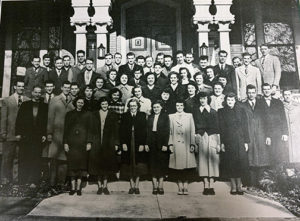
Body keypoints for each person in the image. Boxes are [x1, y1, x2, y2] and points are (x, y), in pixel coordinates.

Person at [15, 85, 48, 187]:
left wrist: (44, 134)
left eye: (39, 93)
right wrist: (18, 133)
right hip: (25, 136)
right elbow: (19, 120)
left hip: (37, 137)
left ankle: (34, 181)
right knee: (24, 158)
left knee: (36, 159)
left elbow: (46, 122)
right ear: (32, 93)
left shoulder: (44, 106)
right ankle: (22, 181)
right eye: (36, 92)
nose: (37, 94)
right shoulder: (25, 105)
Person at [218, 93, 250, 195]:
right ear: (226, 101)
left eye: (232, 100)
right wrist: (222, 142)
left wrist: (246, 141)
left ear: (235, 100)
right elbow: (221, 128)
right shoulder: (222, 111)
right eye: (228, 100)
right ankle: (233, 186)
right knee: (230, 162)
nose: (230, 102)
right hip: (228, 140)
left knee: (240, 162)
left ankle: (239, 186)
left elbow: (245, 126)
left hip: (240, 140)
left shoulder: (241, 110)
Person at [47, 81, 74, 193]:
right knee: (54, 159)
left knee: (65, 160)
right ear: (62, 87)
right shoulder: (55, 100)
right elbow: (50, 117)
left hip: (68, 135)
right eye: (65, 87)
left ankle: (61, 184)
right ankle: (52, 184)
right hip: (56, 134)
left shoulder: (72, 100)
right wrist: (49, 133)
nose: (67, 89)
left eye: (69, 88)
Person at [241, 85, 271, 187]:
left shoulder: (262, 104)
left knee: (261, 158)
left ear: (256, 93)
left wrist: (268, 136)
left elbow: (267, 120)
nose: (251, 94)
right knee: (250, 158)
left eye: (253, 92)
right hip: (249, 134)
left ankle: (261, 184)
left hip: (261, 134)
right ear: (246, 93)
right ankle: (251, 184)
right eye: (249, 92)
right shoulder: (242, 105)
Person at [1, 80, 30, 185]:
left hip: (22, 136)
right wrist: (3, 133)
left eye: (23, 86)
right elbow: (3, 118)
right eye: (19, 86)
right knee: (7, 158)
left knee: (18, 158)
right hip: (9, 134)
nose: (21, 88)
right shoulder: (7, 101)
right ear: (14, 87)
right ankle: (5, 179)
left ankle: (15, 180)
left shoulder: (27, 100)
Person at [90, 97, 120, 195]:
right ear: (100, 105)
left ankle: (105, 185)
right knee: (98, 165)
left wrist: (116, 143)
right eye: (103, 104)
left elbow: (116, 130)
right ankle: (99, 186)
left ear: (108, 104)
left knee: (106, 164)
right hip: (97, 142)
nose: (104, 106)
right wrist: (90, 142)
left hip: (108, 142)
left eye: (106, 104)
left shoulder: (113, 114)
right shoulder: (94, 114)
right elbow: (91, 129)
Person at [63, 97, 93, 196]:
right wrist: (65, 143)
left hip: (82, 144)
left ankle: (79, 188)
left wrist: (89, 142)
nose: (80, 104)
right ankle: (72, 188)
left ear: (84, 104)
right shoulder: (69, 114)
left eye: (82, 102)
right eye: (78, 102)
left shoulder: (87, 114)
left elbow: (90, 129)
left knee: (81, 166)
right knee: (72, 166)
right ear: (75, 103)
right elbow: (66, 130)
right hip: (72, 144)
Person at [193, 92, 220, 195]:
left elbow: (218, 128)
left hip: (212, 137)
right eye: (200, 98)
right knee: (202, 160)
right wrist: (196, 137)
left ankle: (211, 185)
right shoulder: (196, 112)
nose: (202, 100)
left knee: (213, 160)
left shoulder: (213, 112)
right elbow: (194, 126)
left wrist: (218, 143)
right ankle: (205, 185)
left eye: (204, 98)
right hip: (201, 136)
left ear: (207, 99)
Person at [120, 98, 148, 194]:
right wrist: (123, 143)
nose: (133, 108)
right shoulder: (124, 116)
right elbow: (122, 130)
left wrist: (142, 144)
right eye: (131, 106)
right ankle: (131, 186)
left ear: (138, 107)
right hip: (128, 143)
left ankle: (137, 186)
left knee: (138, 164)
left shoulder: (142, 115)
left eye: (134, 106)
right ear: (128, 107)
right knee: (129, 164)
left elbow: (144, 131)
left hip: (138, 142)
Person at [168, 100, 197, 195]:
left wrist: (192, 144)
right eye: (177, 105)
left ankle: (186, 185)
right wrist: (171, 144)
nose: (179, 107)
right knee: (178, 165)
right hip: (176, 143)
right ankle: (180, 184)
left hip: (187, 143)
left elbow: (192, 130)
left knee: (186, 166)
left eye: (181, 105)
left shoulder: (189, 116)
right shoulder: (171, 116)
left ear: (184, 106)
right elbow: (170, 132)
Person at [261, 83, 288, 165]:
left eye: (268, 89)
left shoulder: (278, 102)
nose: (266, 91)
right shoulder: (259, 103)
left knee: (279, 154)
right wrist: (267, 135)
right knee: (268, 155)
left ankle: (279, 174)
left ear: (271, 90)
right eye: (264, 89)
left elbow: (283, 118)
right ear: (262, 91)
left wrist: (285, 133)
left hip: (278, 133)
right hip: (265, 134)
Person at [146, 101, 170, 195]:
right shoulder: (150, 117)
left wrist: (165, 144)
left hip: (161, 143)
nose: (156, 109)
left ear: (161, 108)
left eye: (157, 107)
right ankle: (154, 186)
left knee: (161, 163)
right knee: (152, 163)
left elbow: (167, 131)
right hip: (152, 142)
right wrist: (147, 144)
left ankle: (160, 186)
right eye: (154, 107)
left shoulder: (165, 117)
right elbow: (147, 131)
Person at [283, 90, 300, 163]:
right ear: (283, 95)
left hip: (297, 131)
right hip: (287, 130)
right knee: (288, 149)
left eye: (289, 94)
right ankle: (290, 167)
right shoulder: (281, 106)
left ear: (292, 95)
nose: (287, 96)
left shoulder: (298, 105)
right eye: (285, 94)